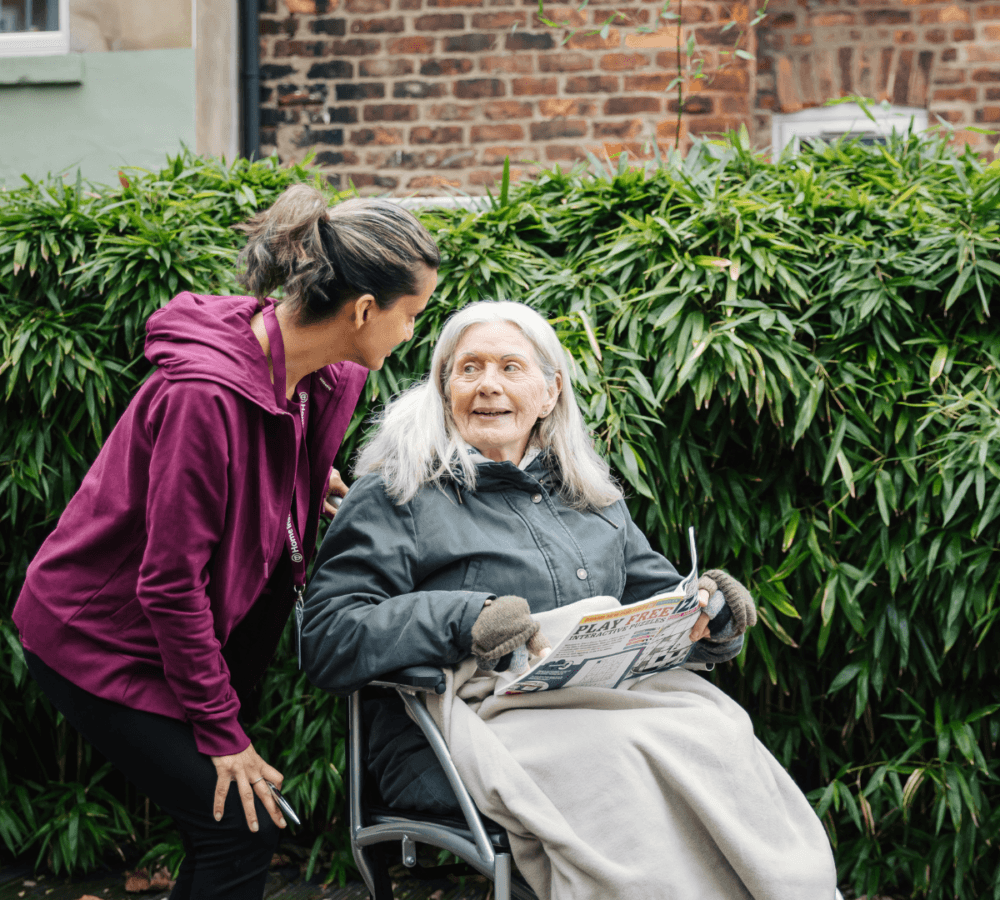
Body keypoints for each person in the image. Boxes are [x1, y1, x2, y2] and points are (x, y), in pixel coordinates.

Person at [300, 300, 838, 899]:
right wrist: (464, 618)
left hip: (601, 703)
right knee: (618, 759)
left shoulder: (589, 495)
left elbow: (661, 600)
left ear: (550, 391)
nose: (488, 387)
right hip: (456, 726)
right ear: (443, 387)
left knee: (718, 732)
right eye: (469, 369)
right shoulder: (398, 491)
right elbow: (327, 636)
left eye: (510, 367)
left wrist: (711, 614)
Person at [12, 184, 440, 900]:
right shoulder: (203, 397)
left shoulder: (315, 373)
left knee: (226, 826)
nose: (410, 335)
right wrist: (221, 733)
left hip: (198, 633)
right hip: (99, 637)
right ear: (364, 310)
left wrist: (300, 480)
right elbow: (168, 582)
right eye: (412, 315)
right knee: (239, 830)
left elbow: (264, 433)